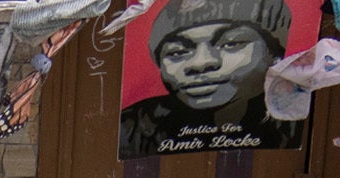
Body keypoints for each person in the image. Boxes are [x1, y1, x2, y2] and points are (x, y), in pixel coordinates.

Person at [122, 0, 288, 151]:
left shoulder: (291, 121)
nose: (200, 63)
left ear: (274, 54)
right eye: (178, 51)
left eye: (231, 43)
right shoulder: (132, 126)